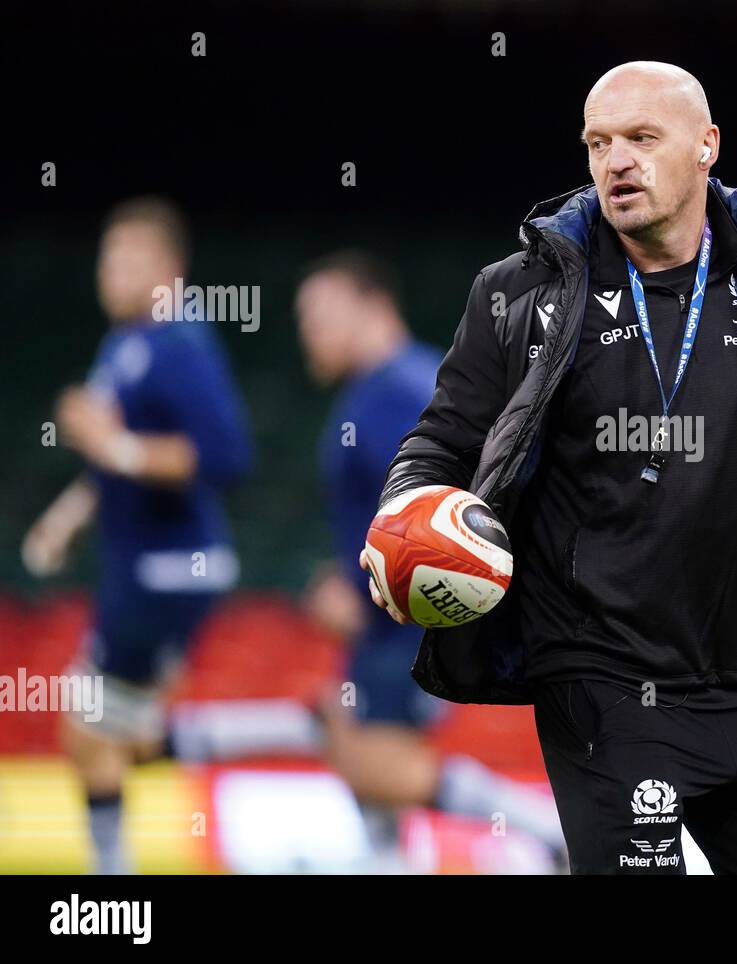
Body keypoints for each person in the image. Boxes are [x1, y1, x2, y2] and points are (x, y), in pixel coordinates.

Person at [364, 62, 737, 874]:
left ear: (706, 146)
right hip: (603, 675)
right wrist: (399, 518)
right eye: (598, 143)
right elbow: (442, 444)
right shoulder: (519, 293)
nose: (615, 162)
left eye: (641, 138)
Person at [295, 251, 564, 862]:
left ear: (373, 305)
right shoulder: (389, 388)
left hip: (407, 624)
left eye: (320, 311)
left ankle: (541, 829)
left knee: (369, 760)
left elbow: (449, 512)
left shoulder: (396, 391)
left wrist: (369, 587)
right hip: (389, 619)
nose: (308, 328)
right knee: (366, 769)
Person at [22, 197, 252, 873]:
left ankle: (112, 883)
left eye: (133, 258)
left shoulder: (179, 340)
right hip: (145, 567)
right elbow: (112, 460)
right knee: (116, 734)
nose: (114, 270)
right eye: (109, 255)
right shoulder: (125, 344)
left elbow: (225, 456)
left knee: (87, 729)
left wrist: (114, 445)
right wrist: (69, 515)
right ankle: (278, 727)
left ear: (172, 272)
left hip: (168, 570)